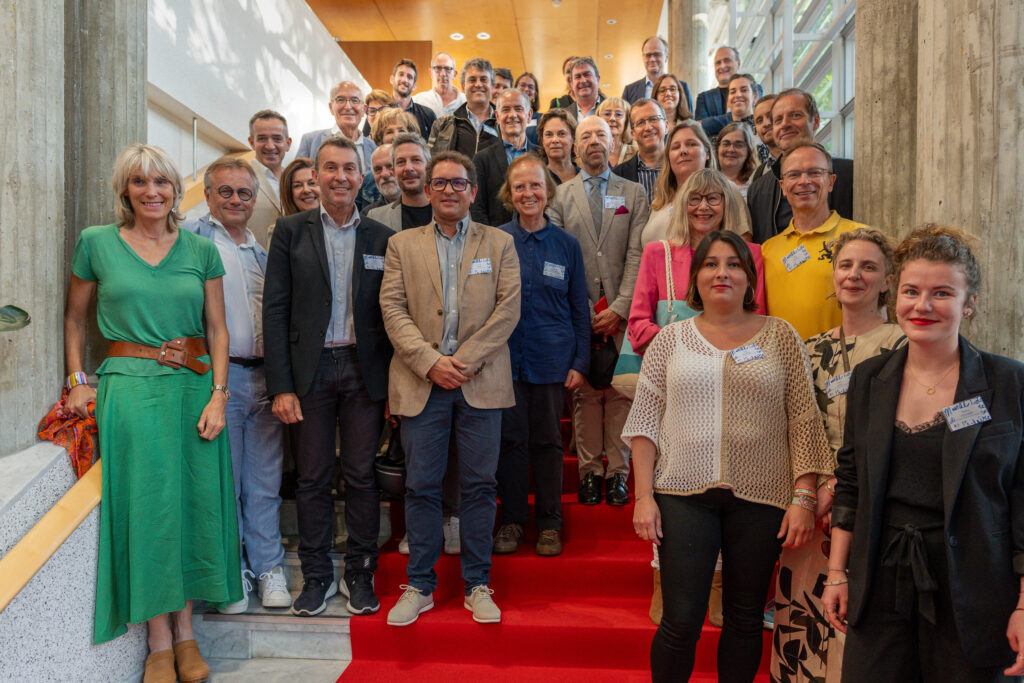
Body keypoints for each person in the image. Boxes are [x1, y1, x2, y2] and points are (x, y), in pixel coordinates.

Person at [64, 143, 241, 682]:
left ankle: (187, 634)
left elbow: (217, 329)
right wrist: (75, 381)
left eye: (162, 182)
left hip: (193, 389)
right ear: (125, 191)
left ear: (174, 189)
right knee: (147, 512)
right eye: (140, 182)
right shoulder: (96, 243)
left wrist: (219, 394)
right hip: (130, 390)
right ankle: (158, 641)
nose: (153, 191)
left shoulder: (199, 250)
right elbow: (74, 319)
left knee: (191, 509)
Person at [624, 230, 831, 683]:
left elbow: (803, 418)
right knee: (680, 620)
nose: (722, 273)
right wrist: (643, 497)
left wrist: (803, 496)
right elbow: (644, 421)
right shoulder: (670, 339)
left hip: (763, 497)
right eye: (711, 264)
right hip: (681, 493)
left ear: (749, 276)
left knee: (743, 618)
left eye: (734, 264)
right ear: (695, 277)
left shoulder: (780, 336)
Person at [822, 225, 1024, 681]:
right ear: (896, 296)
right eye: (912, 290)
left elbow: (1021, 501)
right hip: (880, 583)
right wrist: (837, 573)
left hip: (974, 587)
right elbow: (850, 480)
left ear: (969, 303)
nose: (923, 305)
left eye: (943, 293)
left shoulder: (1009, 382)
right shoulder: (870, 378)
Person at [380, 151, 521, 627]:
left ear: (473, 191)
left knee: (481, 486)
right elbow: (392, 310)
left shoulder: (500, 243)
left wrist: (462, 361)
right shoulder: (401, 244)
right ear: (427, 188)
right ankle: (419, 585)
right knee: (421, 486)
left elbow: (508, 310)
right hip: (422, 381)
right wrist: (430, 362)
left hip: (481, 380)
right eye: (440, 183)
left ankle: (478, 583)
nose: (448, 191)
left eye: (458, 183)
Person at [263, 136, 394, 618]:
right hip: (310, 371)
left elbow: (392, 313)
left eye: (349, 169)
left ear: (362, 178)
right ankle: (316, 574)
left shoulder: (381, 237)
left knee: (361, 476)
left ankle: (359, 571)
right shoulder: (289, 231)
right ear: (314, 176)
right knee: (314, 477)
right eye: (330, 168)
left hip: (364, 369)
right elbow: (274, 312)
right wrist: (280, 385)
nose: (340, 176)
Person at [771, 227, 905, 682]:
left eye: (869, 267)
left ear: (888, 280)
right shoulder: (809, 349)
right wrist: (810, 490)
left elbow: (896, 434)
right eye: (846, 266)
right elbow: (794, 428)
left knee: (859, 630)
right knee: (801, 625)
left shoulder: (904, 346)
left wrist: (839, 486)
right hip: (812, 511)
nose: (854, 276)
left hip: (873, 509)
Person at [182, 156, 291, 614]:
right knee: (224, 484)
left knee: (264, 484)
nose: (235, 200)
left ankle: (268, 569)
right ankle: (232, 574)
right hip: (217, 383)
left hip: (266, 380)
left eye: (244, 193)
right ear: (207, 195)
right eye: (224, 191)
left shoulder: (262, 252)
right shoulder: (190, 240)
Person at [547, 115, 650, 507]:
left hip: (624, 310)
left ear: (614, 144)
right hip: (579, 312)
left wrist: (621, 306)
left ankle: (618, 475)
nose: (593, 141)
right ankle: (590, 473)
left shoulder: (634, 194)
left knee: (622, 393)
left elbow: (637, 253)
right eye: (585, 135)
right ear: (575, 146)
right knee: (586, 396)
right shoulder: (559, 195)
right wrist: (583, 311)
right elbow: (557, 254)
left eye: (601, 135)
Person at [493, 154, 590, 556]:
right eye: (520, 187)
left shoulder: (566, 245)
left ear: (548, 191)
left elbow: (579, 308)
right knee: (510, 442)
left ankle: (550, 523)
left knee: (549, 443)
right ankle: (513, 521)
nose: (529, 193)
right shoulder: (495, 240)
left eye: (536, 185)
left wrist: (579, 362)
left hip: (552, 362)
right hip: (504, 363)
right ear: (509, 194)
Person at [629, 169, 763, 355]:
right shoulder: (656, 253)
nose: (703, 206)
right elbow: (638, 322)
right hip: (671, 367)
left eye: (713, 198)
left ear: (726, 204)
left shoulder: (751, 254)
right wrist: (680, 352)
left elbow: (757, 320)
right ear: (684, 205)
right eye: (695, 198)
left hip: (730, 368)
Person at [762, 142, 865, 339]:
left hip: (846, 364)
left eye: (814, 172)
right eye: (793, 175)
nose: (804, 181)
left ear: (831, 182)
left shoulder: (861, 239)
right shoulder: (767, 251)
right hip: (786, 366)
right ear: (783, 187)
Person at [748, 88, 854, 244]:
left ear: (816, 121)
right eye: (778, 120)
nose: (784, 124)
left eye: (795, 115)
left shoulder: (851, 174)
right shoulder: (758, 190)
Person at [471, 88, 540, 227]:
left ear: (529, 115)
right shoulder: (482, 159)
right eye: (506, 109)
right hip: (496, 242)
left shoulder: (542, 157)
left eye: (518, 109)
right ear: (497, 116)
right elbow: (477, 209)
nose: (512, 115)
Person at [641, 120, 716, 245]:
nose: (683, 151)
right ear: (669, 158)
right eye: (675, 147)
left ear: (707, 153)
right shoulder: (660, 201)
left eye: (691, 144)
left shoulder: (724, 192)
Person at [296, 81, 377, 174]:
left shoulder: (374, 148)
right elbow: (298, 180)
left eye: (355, 100)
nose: (348, 107)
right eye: (340, 100)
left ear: (364, 110)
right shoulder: (310, 141)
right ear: (331, 107)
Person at [427, 57, 499, 159]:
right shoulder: (441, 125)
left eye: (483, 79)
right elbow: (431, 163)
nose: (478, 84)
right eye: (472, 80)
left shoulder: (504, 124)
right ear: (463, 86)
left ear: (492, 86)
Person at [368, 133, 432, 232]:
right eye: (401, 162)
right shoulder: (376, 218)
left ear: (428, 168)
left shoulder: (448, 211)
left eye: (416, 160)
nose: (408, 168)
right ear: (394, 171)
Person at [247, 110, 291, 248]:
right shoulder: (239, 178)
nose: (270, 146)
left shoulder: (294, 179)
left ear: (288, 143)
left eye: (277, 139)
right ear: (252, 142)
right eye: (262, 139)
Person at [614, 99, 667, 203]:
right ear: (633, 134)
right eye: (641, 123)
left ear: (666, 126)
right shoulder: (617, 175)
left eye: (654, 119)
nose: (648, 127)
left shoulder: (681, 168)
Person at [622, 36, 692, 111]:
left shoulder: (682, 87)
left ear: (666, 57)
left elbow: (689, 119)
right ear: (643, 58)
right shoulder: (629, 91)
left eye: (657, 54)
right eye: (648, 55)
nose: (652, 59)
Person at [701, 73, 759, 140]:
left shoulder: (762, 131)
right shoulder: (721, 138)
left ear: (755, 97)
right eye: (733, 92)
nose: (738, 95)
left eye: (744, 90)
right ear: (728, 100)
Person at [389, 58, 437, 140]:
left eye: (409, 77)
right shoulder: (379, 111)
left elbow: (436, 148)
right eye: (401, 74)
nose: (404, 80)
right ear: (392, 79)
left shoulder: (428, 115)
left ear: (414, 85)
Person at [694, 46, 742, 120]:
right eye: (718, 63)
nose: (722, 66)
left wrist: (710, 122)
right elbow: (701, 128)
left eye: (727, 60)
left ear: (738, 64)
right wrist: (739, 115)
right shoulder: (704, 98)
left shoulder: (752, 89)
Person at [413, 52, 466, 118]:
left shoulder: (466, 102)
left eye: (447, 69)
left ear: (454, 74)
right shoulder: (418, 101)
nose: (443, 74)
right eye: (438, 68)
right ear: (431, 73)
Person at [715, 121, 758, 199]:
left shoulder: (757, 184)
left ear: (749, 150)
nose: (731, 149)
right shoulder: (707, 181)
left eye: (739, 145)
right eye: (726, 144)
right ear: (717, 148)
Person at [537, 108, 578, 185]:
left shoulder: (585, 177)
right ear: (542, 140)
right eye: (549, 134)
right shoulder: (536, 178)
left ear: (573, 138)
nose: (555, 140)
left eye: (561, 134)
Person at [598, 97, 636, 167]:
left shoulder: (637, 154)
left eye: (618, 114)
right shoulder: (588, 153)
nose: (612, 118)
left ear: (627, 121)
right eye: (607, 114)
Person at [750, 94, 779, 181]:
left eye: (770, 116)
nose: (766, 124)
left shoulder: (812, 162)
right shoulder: (758, 175)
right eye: (759, 121)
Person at [566, 57, 604, 121]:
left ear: (597, 79)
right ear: (572, 84)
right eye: (577, 77)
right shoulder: (565, 115)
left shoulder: (613, 109)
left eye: (587, 75)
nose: (583, 81)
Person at [367, 143, 400, 210]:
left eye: (390, 166)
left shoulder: (426, 206)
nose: (385, 174)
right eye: (378, 169)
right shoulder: (368, 215)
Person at [515, 71, 543, 145]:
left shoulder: (542, 118)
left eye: (531, 87)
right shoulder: (507, 116)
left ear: (535, 95)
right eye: (523, 85)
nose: (526, 89)